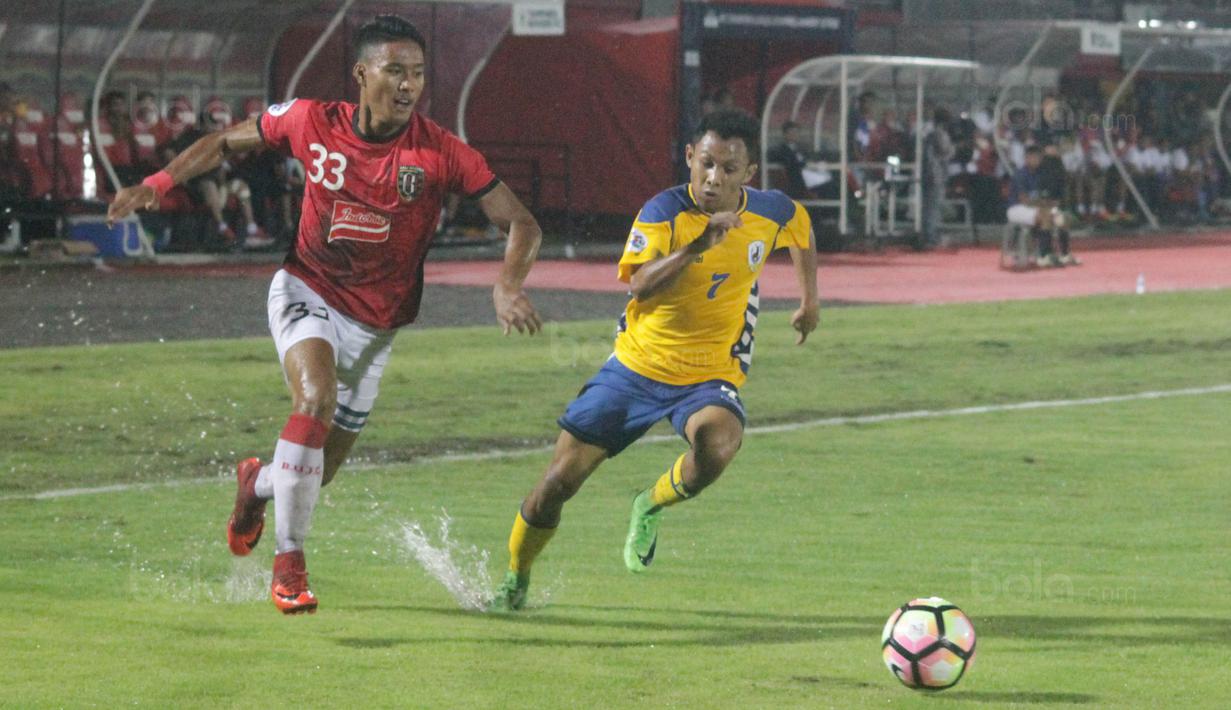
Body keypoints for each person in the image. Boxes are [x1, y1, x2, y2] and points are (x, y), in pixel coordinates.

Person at [106, 14, 543, 614]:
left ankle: (256, 484)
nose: (409, 85)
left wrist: (507, 285)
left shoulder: (440, 151)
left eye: (418, 73)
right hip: (306, 287)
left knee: (315, 470)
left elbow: (521, 222)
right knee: (314, 399)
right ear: (362, 73)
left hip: (376, 328)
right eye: (395, 71)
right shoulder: (312, 120)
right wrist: (159, 182)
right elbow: (229, 140)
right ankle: (289, 567)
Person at [490, 109, 819, 611]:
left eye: (729, 168)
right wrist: (697, 246)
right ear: (689, 157)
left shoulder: (768, 211)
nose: (714, 178)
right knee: (556, 485)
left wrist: (809, 300)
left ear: (749, 173)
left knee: (718, 446)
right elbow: (639, 283)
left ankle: (648, 504)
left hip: (709, 374)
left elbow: (801, 226)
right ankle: (516, 575)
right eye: (706, 163)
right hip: (636, 369)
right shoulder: (663, 211)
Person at [1006, 144, 1080, 267]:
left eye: (1038, 157)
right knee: (1045, 215)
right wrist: (1045, 204)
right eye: (1032, 157)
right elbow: (1024, 200)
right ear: (1026, 158)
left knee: (1061, 218)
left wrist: (1048, 204)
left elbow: (1048, 195)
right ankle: (1043, 256)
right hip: (1017, 208)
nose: (1035, 160)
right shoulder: (1020, 174)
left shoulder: (1042, 174)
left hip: (1038, 207)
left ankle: (1064, 255)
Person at [920, 107, 954, 250]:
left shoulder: (930, 133)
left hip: (930, 174)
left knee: (929, 207)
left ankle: (929, 235)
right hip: (935, 174)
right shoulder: (939, 134)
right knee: (932, 207)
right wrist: (954, 148)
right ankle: (931, 237)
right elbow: (945, 151)